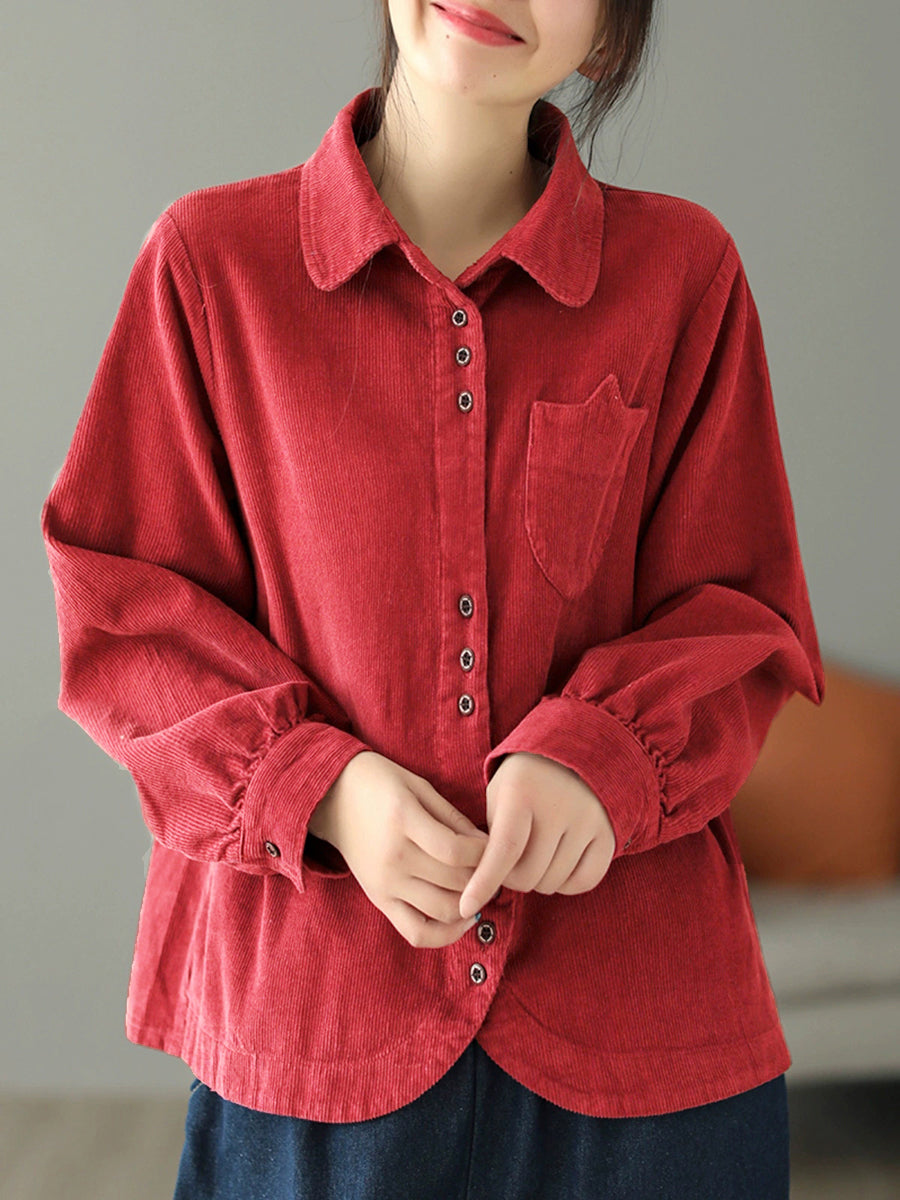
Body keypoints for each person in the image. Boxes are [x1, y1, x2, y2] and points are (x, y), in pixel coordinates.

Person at [40, 2, 826, 1197]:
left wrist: (604, 754)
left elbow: (743, 611)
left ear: (608, 34)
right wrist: (318, 786)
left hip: (643, 1049)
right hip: (313, 1027)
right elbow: (122, 608)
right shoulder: (211, 266)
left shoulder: (684, 273)